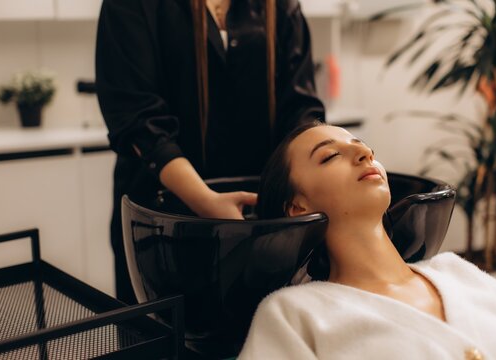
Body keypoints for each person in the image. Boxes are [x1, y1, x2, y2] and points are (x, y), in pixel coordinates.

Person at [95, 0, 325, 304]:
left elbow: (301, 110)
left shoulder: (280, 6)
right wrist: (205, 200)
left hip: (262, 223)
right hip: (163, 224)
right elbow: (136, 117)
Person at [239, 122, 496, 359]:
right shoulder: (293, 315)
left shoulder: (459, 273)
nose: (364, 153)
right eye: (331, 155)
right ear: (298, 207)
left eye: (366, 148)